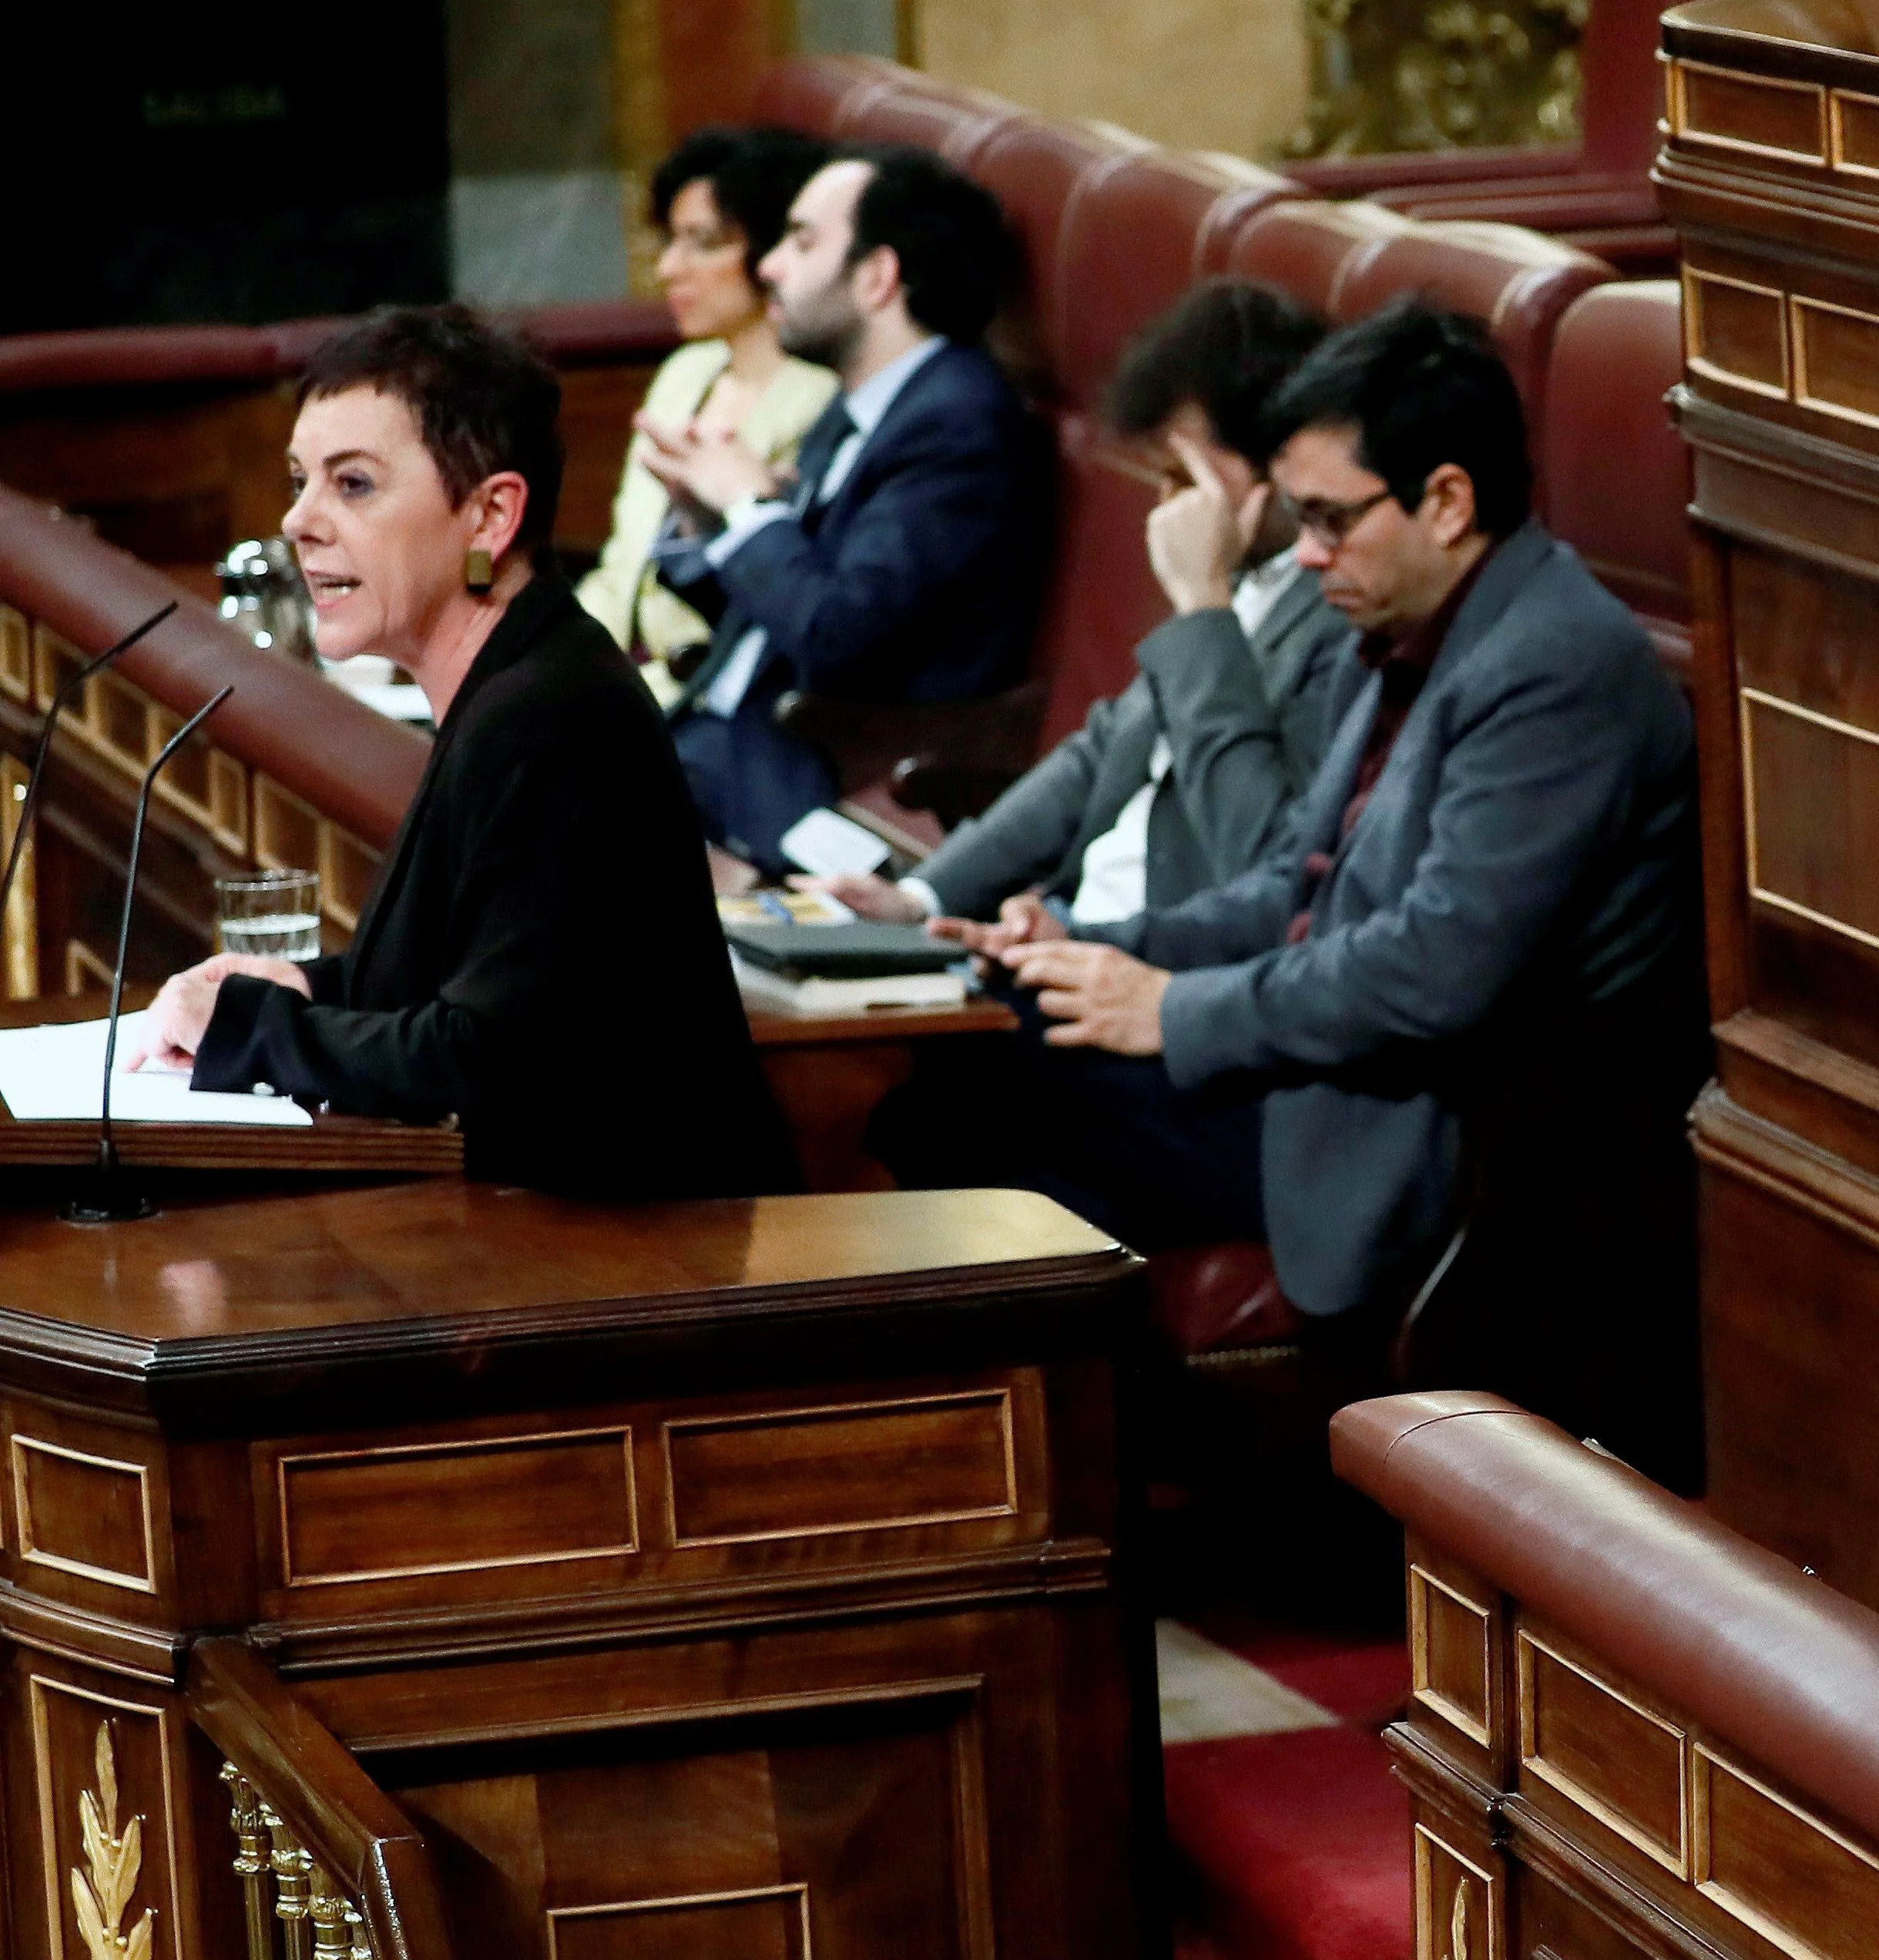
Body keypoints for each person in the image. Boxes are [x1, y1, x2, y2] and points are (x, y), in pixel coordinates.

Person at [947, 300, 1696, 1319]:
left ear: (1444, 500)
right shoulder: (1397, 629)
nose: (1304, 554)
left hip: (1427, 1132)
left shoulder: (1554, 664)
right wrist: (1087, 948)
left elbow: (1432, 969)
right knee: (977, 1051)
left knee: (976, 1095)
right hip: (1324, 1070)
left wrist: (1172, 1009)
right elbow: (1294, 887)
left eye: (1329, 519)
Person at [127, 306, 795, 1200]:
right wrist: (308, 985)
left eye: (352, 485)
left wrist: (251, 1026)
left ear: (489, 516)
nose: (298, 520)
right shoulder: (519, 680)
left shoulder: (553, 714)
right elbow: (493, 984)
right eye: (299, 481)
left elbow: (493, 1058)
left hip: (638, 1270)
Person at [798, 279, 1344, 934]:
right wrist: (922, 897)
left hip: (1159, 962)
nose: (1168, 507)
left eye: (1184, 476)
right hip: (1065, 920)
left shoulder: (1337, 616)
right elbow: (1102, 751)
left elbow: (1257, 854)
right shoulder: (1238, 575)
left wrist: (1203, 608)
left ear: (1280, 463)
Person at [642, 143, 1048, 872]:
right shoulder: (864, 403)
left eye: (801, 242)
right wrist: (708, 517)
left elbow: (837, 635)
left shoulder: (956, 425)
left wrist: (746, 508)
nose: (769, 266)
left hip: (813, 778)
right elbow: (779, 605)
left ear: (877, 277)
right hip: (721, 746)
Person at [572, 125, 838, 709]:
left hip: (703, 697)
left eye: (704, 242)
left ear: (773, 252)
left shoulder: (820, 400)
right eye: (671, 240)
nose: (670, 267)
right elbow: (621, 567)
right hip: (604, 680)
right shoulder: (686, 372)